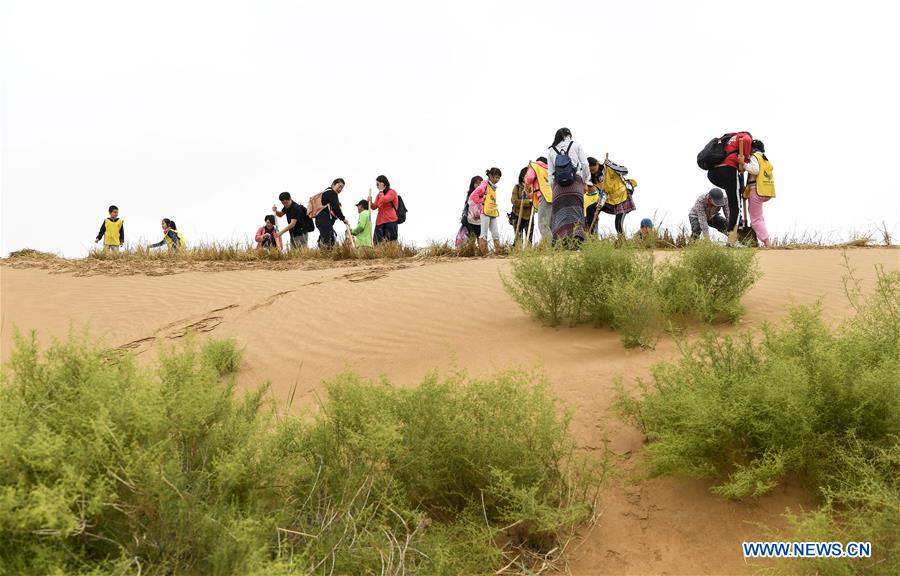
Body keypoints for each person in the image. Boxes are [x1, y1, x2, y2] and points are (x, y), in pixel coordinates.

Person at [547, 128, 592, 246]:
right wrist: (585, 181)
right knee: (576, 214)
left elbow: (550, 175)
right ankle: (578, 243)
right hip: (575, 185)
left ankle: (562, 244)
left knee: (560, 216)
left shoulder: (551, 150)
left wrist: (555, 188)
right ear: (569, 135)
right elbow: (585, 165)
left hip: (558, 188)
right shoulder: (576, 144)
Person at [707, 131, 752, 245]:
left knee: (734, 194)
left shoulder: (728, 137)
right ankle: (732, 240)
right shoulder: (745, 137)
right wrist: (744, 163)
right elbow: (746, 142)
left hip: (713, 173)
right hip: (728, 170)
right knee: (735, 206)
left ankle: (734, 227)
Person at [743, 139, 775, 247]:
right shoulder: (764, 159)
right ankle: (766, 241)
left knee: (755, 220)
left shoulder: (754, 157)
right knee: (759, 217)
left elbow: (755, 170)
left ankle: (767, 242)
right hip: (765, 191)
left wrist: (743, 164)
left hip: (756, 190)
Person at [598, 159, 637, 236]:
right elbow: (604, 193)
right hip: (613, 200)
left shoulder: (609, 166)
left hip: (623, 196)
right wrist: (601, 203)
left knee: (618, 223)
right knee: (617, 223)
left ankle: (622, 242)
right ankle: (622, 242)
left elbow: (625, 171)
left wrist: (610, 165)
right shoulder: (597, 178)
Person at [471, 168, 503, 253]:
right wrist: (481, 202)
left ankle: (499, 251)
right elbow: (474, 195)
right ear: (490, 176)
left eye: (499, 178)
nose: (497, 180)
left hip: (492, 212)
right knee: (484, 233)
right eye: (496, 177)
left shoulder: (493, 187)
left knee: (495, 233)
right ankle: (484, 252)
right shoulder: (484, 185)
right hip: (484, 212)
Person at [316, 178, 350, 248]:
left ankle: (323, 253)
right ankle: (325, 256)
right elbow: (336, 208)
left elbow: (333, 206)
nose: (340, 189)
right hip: (324, 220)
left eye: (342, 188)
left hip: (322, 221)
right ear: (333, 184)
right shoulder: (332, 193)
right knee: (328, 241)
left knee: (331, 236)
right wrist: (343, 218)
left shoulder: (327, 192)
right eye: (339, 186)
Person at [523, 157, 550, 243]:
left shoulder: (535, 166)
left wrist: (526, 186)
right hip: (552, 197)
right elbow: (540, 187)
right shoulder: (548, 169)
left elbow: (529, 178)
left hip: (544, 197)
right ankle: (553, 244)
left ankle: (550, 246)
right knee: (549, 224)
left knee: (543, 224)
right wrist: (529, 194)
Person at [371, 175, 399, 244]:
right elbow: (374, 206)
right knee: (377, 242)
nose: (376, 186)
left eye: (378, 184)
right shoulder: (379, 195)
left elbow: (384, 200)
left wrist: (381, 191)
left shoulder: (392, 192)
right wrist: (370, 202)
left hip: (390, 220)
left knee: (390, 242)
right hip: (379, 221)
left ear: (382, 184)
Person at [457, 175, 484, 247]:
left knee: (480, 237)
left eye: (480, 183)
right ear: (473, 184)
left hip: (480, 220)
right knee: (472, 235)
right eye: (476, 183)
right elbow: (466, 205)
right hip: (470, 218)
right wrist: (464, 215)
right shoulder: (470, 194)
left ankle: (481, 252)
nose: (478, 185)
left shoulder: (485, 194)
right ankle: (471, 250)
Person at [510, 166, 533, 246]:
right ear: (522, 177)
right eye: (526, 175)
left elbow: (536, 202)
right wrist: (529, 202)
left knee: (529, 239)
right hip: (517, 214)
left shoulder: (533, 188)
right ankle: (516, 253)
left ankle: (529, 253)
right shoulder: (517, 187)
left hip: (529, 216)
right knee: (518, 239)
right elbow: (514, 201)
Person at [584, 158, 605, 236]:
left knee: (594, 230)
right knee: (585, 232)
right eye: (588, 186)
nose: (589, 188)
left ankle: (594, 239)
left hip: (594, 215)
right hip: (584, 217)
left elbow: (601, 201)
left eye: (590, 186)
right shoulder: (584, 196)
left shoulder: (597, 195)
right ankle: (589, 240)